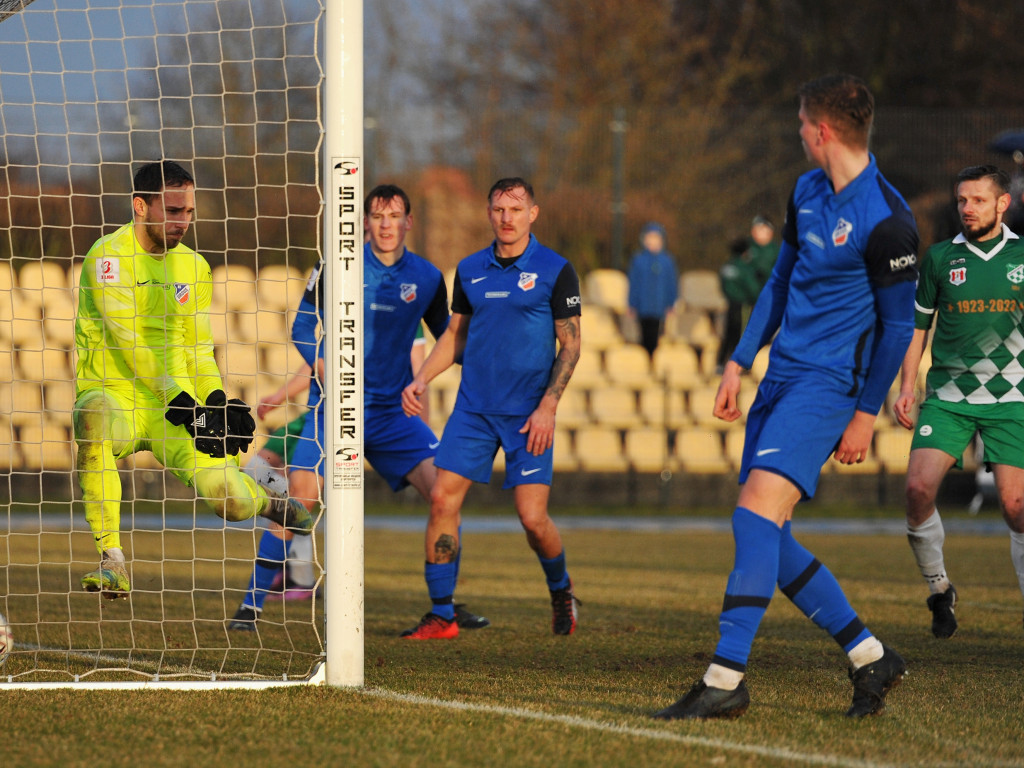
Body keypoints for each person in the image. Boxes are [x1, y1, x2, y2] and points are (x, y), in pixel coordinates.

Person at [653, 75, 919, 720]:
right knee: (769, 538)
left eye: (801, 122)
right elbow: (778, 280)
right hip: (778, 379)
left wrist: (863, 413)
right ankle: (867, 654)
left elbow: (898, 329)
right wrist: (739, 361)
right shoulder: (804, 190)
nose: (798, 132)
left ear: (822, 130)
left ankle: (724, 679)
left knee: (751, 518)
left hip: (827, 389)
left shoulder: (888, 220)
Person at [230, 183, 488, 630]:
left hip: (392, 415)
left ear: (409, 222)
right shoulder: (336, 267)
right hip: (332, 410)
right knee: (301, 499)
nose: (386, 225)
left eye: (394, 217)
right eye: (378, 216)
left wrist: (468, 368)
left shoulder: (426, 278)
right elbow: (303, 326)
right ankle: (251, 606)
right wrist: (321, 363)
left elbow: (451, 339)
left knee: (445, 495)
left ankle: (445, 608)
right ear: (365, 222)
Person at [73, 160, 312, 600]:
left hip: (175, 407)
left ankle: (272, 503)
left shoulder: (194, 267)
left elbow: (198, 348)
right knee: (93, 419)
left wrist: (216, 398)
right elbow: (131, 343)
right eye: (173, 210)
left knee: (232, 501)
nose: (183, 222)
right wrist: (185, 402)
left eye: (188, 213)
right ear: (140, 207)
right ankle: (112, 560)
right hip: (117, 395)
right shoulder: (107, 258)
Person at [400, 177, 583, 639]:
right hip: (474, 410)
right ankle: (442, 615)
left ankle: (562, 591)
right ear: (488, 213)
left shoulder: (556, 269)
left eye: (516, 210)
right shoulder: (469, 269)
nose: (507, 218)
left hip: (528, 415)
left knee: (532, 520)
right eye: (499, 209)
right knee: (442, 499)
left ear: (533, 214)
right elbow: (454, 338)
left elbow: (571, 345)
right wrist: (421, 379)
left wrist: (548, 406)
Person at [894, 165, 1024, 638]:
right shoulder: (940, 258)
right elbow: (917, 330)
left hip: (1012, 397)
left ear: (1002, 203)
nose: (967, 208)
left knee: (1016, 507)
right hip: (948, 397)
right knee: (915, 492)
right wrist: (907, 388)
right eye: (962, 200)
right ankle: (938, 588)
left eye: (977, 200)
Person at [627, 222, 678, 358]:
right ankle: (644, 363)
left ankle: (653, 361)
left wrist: (671, 303)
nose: (652, 241)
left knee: (657, 336)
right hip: (643, 307)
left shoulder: (667, 261)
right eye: (649, 237)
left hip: (659, 307)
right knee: (643, 336)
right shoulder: (638, 260)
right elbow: (634, 283)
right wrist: (632, 304)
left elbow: (671, 283)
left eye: (656, 238)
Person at [716, 236, 761, 369]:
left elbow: (723, 286)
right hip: (743, 306)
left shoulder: (727, 266)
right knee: (742, 335)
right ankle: (739, 366)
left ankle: (720, 363)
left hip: (731, 305)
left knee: (728, 335)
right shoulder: (744, 268)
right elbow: (753, 289)